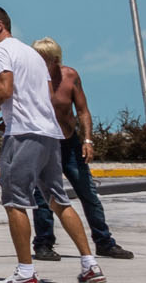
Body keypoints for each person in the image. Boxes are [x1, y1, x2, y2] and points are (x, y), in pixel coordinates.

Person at [0, 7, 106, 283]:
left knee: (14, 201)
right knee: (58, 199)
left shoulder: (0, 51)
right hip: (50, 134)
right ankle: (90, 265)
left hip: (24, 134)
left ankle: (26, 272)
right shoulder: (33, 55)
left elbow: (4, 90)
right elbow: (43, 95)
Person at [28, 37, 130, 261]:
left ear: (54, 60)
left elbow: (83, 111)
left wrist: (88, 140)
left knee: (88, 193)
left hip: (69, 144)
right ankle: (43, 244)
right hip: (45, 144)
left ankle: (104, 242)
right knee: (43, 198)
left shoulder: (70, 76)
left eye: (42, 59)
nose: (36, 63)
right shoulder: (30, 79)